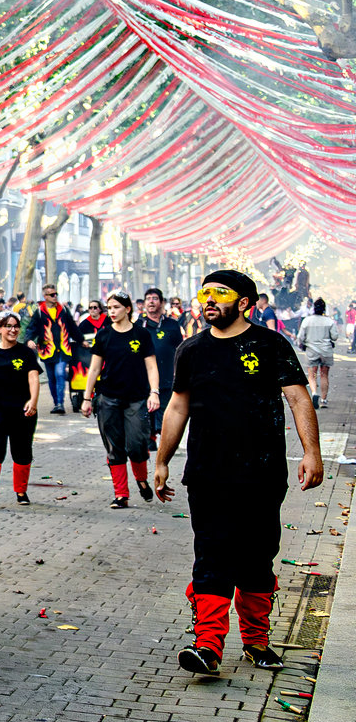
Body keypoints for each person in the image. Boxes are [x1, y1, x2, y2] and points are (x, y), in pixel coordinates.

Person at [156, 270, 322, 676]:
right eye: (205, 293)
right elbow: (177, 406)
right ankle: (208, 645)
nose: (209, 300)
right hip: (207, 474)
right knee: (211, 555)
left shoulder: (270, 344)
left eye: (220, 293)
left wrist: (311, 453)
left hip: (262, 474)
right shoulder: (191, 349)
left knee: (256, 558)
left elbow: (298, 399)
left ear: (244, 302)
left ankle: (256, 641)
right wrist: (161, 460)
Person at [81, 292, 160, 508]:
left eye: (116, 307)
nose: (112, 312)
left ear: (128, 309)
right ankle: (121, 494)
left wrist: (154, 392)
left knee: (137, 445)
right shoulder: (104, 335)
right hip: (108, 398)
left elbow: (151, 366)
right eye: (109, 308)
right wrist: (87, 398)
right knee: (114, 447)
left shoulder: (141, 334)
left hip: (137, 398)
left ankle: (141, 479)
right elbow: (94, 368)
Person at [0, 312, 40, 509]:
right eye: (8, 326)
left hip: (22, 409)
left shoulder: (26, 353)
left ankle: (21, 491)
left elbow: (33, 377)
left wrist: (33, 401)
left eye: (16, 326)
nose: (13, 330)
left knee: (22, 450)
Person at [138, 287, 184, 452]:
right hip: (144, 377)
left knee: (166, 412)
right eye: (148, 298)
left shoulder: (172, 325)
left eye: (155, 298)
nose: (151, 302)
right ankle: (150, 439)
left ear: (162, 302)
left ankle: (166, 442)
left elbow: (180, 349)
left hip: (167, 376)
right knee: (147, 411)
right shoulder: (138, 326)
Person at [25, 283, 79, 414]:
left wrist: (81, 340)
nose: (55, 296)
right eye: (52, 294)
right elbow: (31, 328)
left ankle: (60, 403)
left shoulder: (64, 310)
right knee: (52, 378)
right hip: (47, 350)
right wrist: (29, 340)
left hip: (63, 349)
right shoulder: (39, 312)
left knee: (60, 373)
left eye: (56, 294)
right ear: (45, 296)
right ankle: (56, 403)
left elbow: (72, 327)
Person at [297, 298, 338, 409]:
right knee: (324, 375)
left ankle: (314, 393)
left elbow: (300, 337)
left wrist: (301, 344)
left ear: (314, 308)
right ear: (324, 309)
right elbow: (335, 337)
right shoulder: (329, 321)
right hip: (326, 351)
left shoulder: (307, 321)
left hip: (311, 351)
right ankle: (323, 400)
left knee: (312, 375)